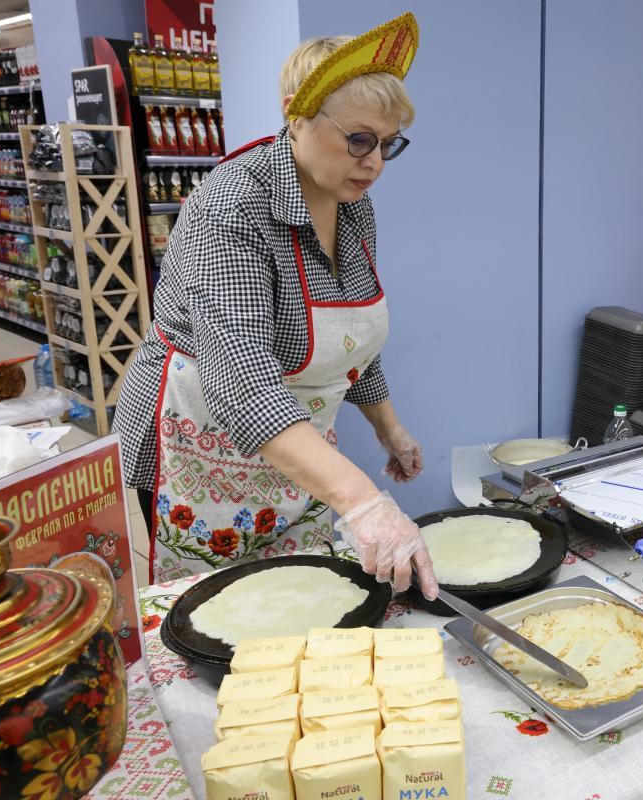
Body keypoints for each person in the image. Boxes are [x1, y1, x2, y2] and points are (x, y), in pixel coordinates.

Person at [114, 13, 437, 598]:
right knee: (224, 608)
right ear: (297, 113)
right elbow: (242, 382)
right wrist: (363, 502)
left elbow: (351, 339)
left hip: (295, 451)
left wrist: (390, 429)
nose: (376, 163)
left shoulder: (352, 204)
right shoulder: (231, 207)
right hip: (202, 442)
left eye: (389, 145)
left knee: (308, 597)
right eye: (359, 139)